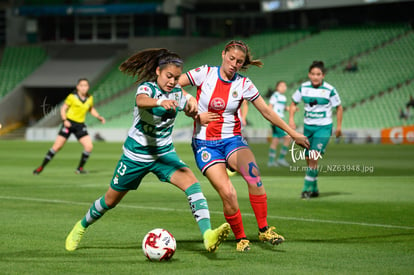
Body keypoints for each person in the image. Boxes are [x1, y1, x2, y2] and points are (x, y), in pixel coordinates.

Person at [65, 48, 230, 253]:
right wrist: (161, 101)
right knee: (110, 200)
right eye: (169, 76)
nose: (172, 81)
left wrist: (194, 109)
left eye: (176, 77)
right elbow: (141, 101)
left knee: (193, 185)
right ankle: (81, 226)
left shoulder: (178, 93)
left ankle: (207, 235)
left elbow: (188, 104)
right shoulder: (148, 89)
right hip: (136, 155)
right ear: (158, 71)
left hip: (163, 154)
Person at [178, 40, 309, 252]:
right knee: (228, 193)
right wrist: (191, 107)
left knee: (253, 175)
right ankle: (240, 238)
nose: (234, 64)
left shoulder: (244, 84)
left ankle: (264, 229)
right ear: (223, 55)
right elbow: (174, 86)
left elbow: (266, 111)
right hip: (205, 144)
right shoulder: (205, 73)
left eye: (239, 62)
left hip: (233, 140)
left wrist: (292, 133)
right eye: (231, 59)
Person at [289, 60, 343, 199]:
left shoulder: (330, 90)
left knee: (313, 156)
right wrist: (291, 119)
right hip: (308, 128)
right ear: (309, 74)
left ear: (323, 75)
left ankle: (306, 189)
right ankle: (315, 189)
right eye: (313, 74)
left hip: (323, 128)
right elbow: (293, 103)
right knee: (309, 159)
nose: (315, 77)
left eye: (318, 74)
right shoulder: (303, 88)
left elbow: (339, 107)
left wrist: (339, 127)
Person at [33, 78, 105, 175]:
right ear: (78, 87)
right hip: (69, 123)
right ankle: (41, 167)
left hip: (80, 125)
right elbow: (63, 109)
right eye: (82, 85)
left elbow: (91, 109)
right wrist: (65, 120)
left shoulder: (89, 98)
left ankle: (79, 169)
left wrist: (98, 116)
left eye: (86, 85)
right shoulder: (72, 97)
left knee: (89, 146)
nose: (84, 88)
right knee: (57, 147)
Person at [267, 81, 291, 167]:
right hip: (276, 120)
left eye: (285, 86)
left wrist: (290, 109)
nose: (284, 87)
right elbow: (270, 107)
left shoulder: (283, 97)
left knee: (275, 141)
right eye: (281, 86)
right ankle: (281, 159)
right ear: (277, 87)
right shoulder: (275, 95)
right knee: (288, 138)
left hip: (280, 119)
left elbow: (282, 108)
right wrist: (271, 118)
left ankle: (271, 161)